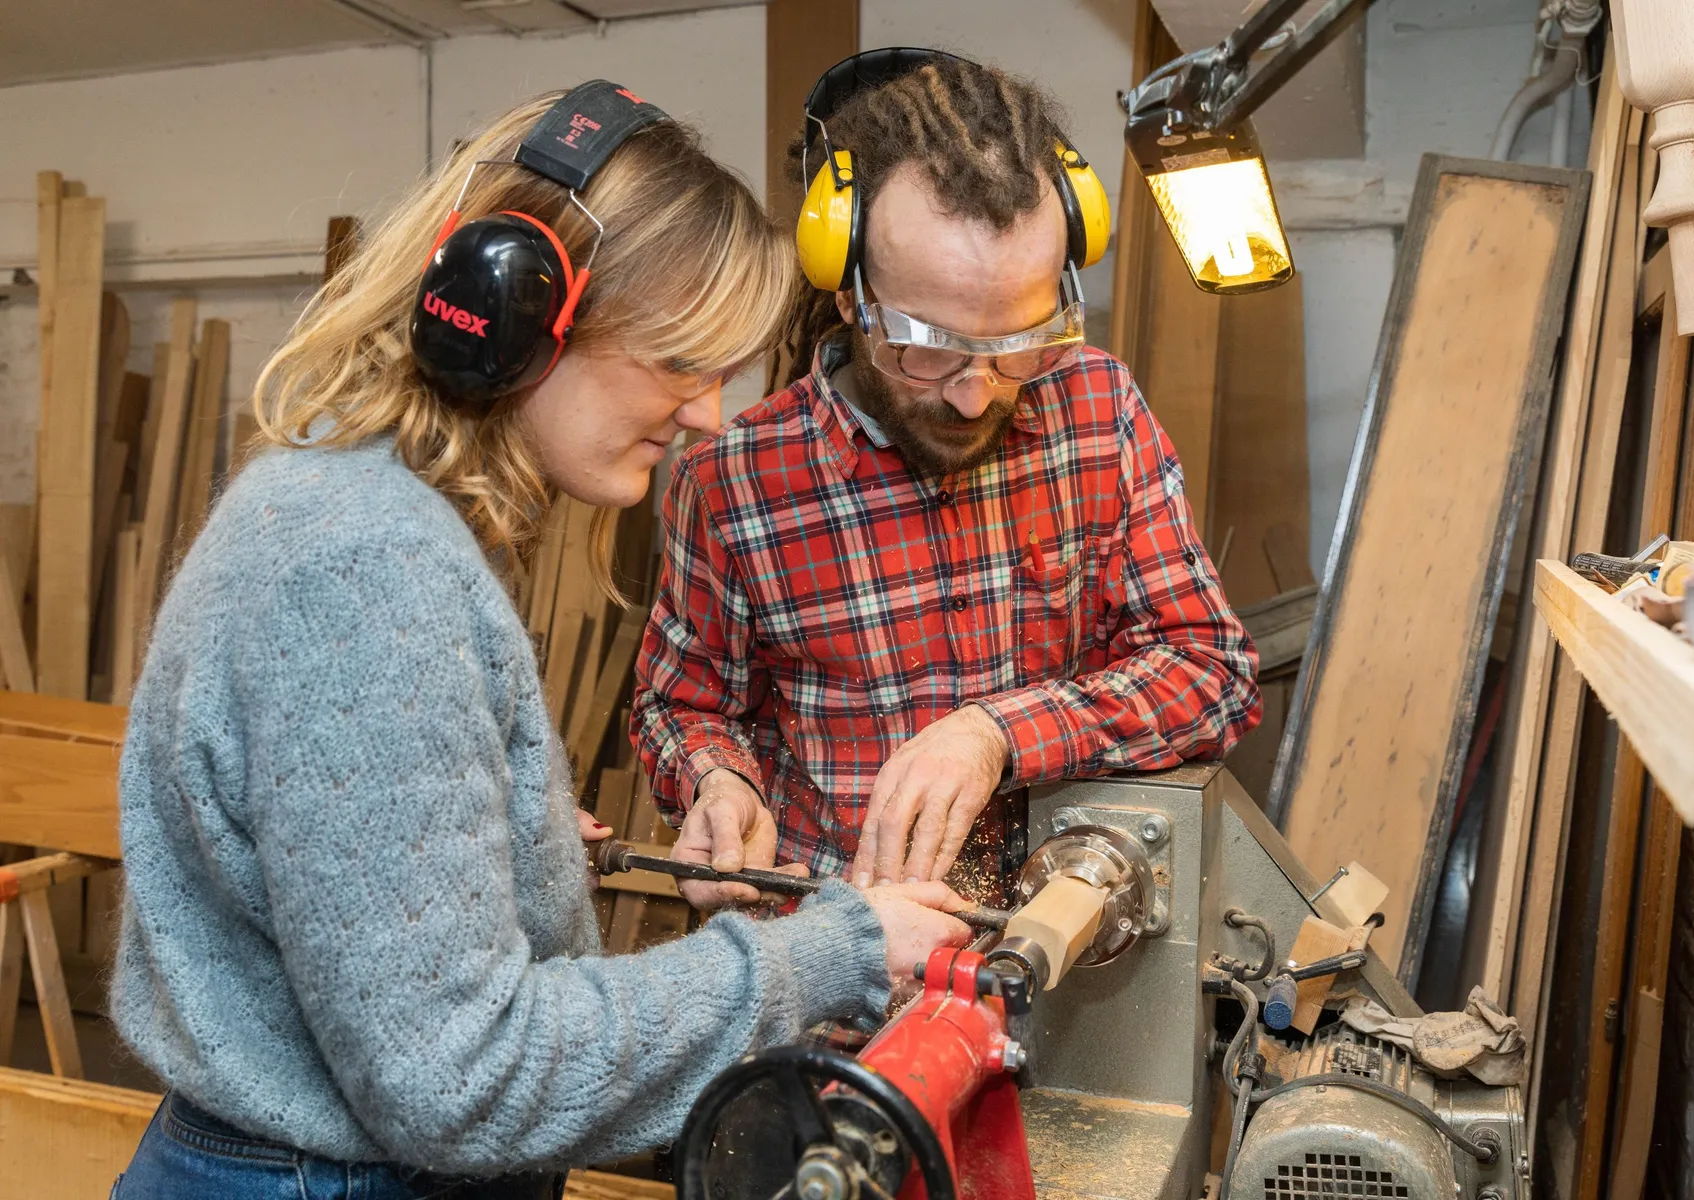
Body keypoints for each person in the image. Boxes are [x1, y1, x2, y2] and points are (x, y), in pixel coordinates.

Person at [110, 82, 971, 1200]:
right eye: (679, 362)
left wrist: (487, 838)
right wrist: (833, 953)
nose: (710, 415)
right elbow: (459, 1077)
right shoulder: (367, 564)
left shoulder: (349, 507)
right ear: (514, 318)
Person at [631, 51, 1260, 909]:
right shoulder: (735, 481)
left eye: (1016, 345)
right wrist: (717, 780)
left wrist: (999, 733)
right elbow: (682, 705)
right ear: (850, 293)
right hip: (842, 958)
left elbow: (1211, 671)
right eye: (926, 347)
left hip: (1071, 937)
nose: (975, 394)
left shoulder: (1098, 411)